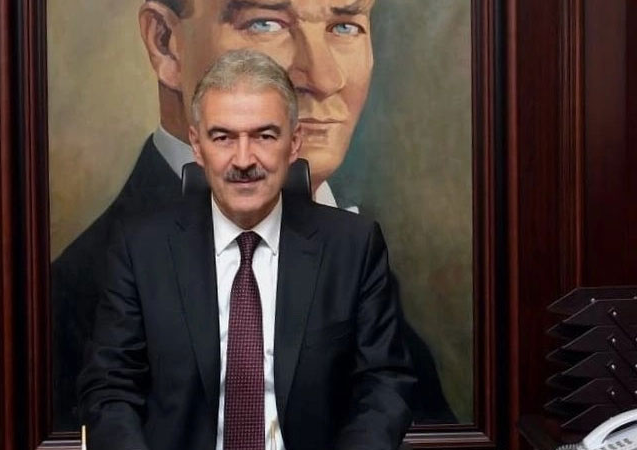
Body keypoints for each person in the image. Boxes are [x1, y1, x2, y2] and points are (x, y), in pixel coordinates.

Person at [52, 0, 455, 429]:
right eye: (265, 23)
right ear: (165, 43)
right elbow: (109, 400)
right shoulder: (87, 285)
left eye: (343, 26)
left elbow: (390, 394)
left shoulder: (355, 249)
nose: (325, 79)